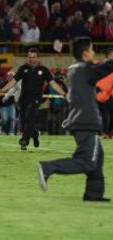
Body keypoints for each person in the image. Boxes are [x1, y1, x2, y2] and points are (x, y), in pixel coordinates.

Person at [37, 37, 113, 202]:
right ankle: (48, 167)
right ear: (86, 54)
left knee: (97, 158)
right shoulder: (85, 69)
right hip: (86, 122)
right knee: (87, 161)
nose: (94, 53)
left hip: (79, 121)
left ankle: (94, 194)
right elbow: (104, 69)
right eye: (92, 50)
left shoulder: (75, 68)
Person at [0, 48, 66, 150]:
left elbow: (53, 84)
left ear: (38, 58)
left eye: (34, 57)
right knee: (24, 121)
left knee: (30, 116)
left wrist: (63, 93)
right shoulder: (23, 68)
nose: (31, 59)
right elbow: (13, 82)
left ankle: (25, 140)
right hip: (23, 99)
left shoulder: (44, 70)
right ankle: (35, 133)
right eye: (29, 57)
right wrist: (2, 90)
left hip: (36, 98)